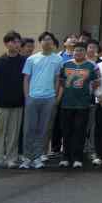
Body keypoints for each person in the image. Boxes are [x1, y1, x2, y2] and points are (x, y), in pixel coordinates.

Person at [21, 31, 63, 169]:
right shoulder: (32, 59)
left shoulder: (58, 59)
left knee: (43, 130)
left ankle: (38, 157)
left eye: (49, 39)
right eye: (44, 39)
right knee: (29, 129)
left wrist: (55, 96)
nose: (47, 41)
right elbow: (26, 79)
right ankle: (27, 157)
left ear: (53, 42)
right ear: (40, 42)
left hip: (49, 98)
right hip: (33, 98)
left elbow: (57, 79)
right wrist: (27, 96)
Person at [0, 30, 25, 170]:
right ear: (6, 44)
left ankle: (11, 159)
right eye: (13, 42)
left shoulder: (25, 61)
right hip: (0, 104)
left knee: (14, 134)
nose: (17, 44)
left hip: (18, 104)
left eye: (18, 42)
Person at [56, 41, 98, 168]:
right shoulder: (65, 64)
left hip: (83, 104)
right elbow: (61, 82)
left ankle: (77, 158)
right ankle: (65, 157)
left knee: (80, 131)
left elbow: (97, 82)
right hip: (66, 104)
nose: (78, 52)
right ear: (72, 52)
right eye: (76, 50)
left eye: (81, 50)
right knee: (66, 131)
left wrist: (88, 93)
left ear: (85, 52)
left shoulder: (91, 65)